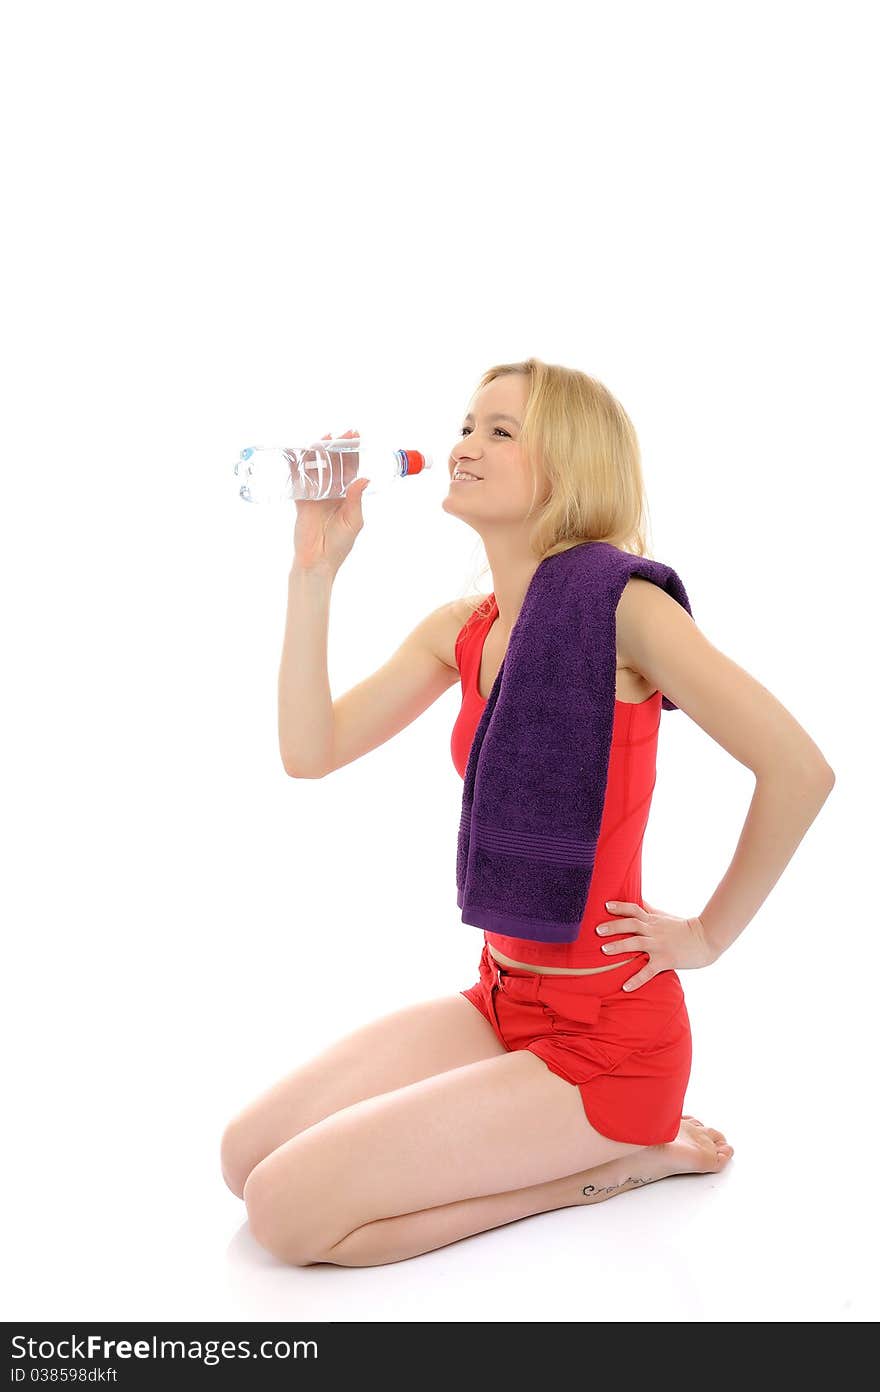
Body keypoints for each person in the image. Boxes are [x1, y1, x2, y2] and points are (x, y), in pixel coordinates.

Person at [220, 358, 835, 1268]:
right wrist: (315, 569)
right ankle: (595, 1145)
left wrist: (706, 936)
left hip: (609, 1049)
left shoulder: (625, 611)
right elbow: (310, 753)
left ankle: (622, 1162)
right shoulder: (461, 629)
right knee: (243, 1158)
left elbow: (798, 769)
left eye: (500, 431)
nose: (466, 444)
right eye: (468, 424)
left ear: (568, 469)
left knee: (282, 1215)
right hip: (504, 999)